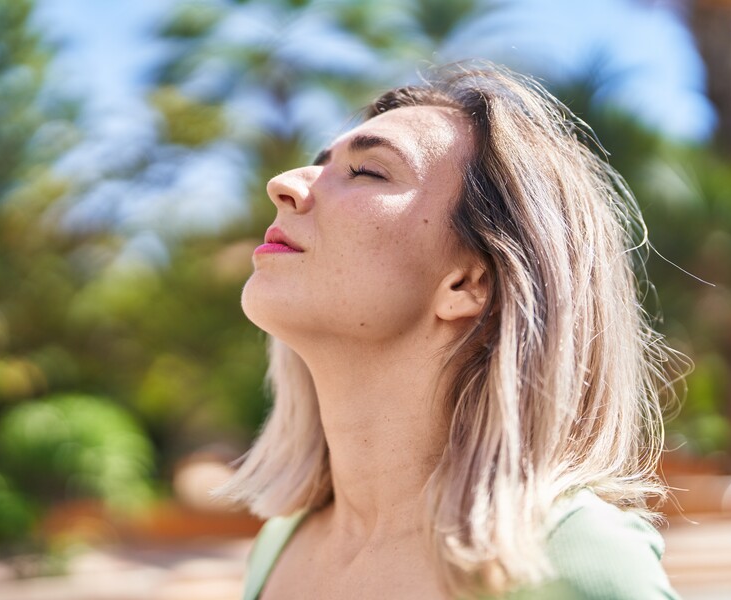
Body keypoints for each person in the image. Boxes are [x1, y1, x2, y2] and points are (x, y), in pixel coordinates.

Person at [219, 64, 681, 599]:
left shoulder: (567, 558)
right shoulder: (278, 547)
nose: (284, 184)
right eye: (320, 163)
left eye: (368, 172)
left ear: (468, 283)